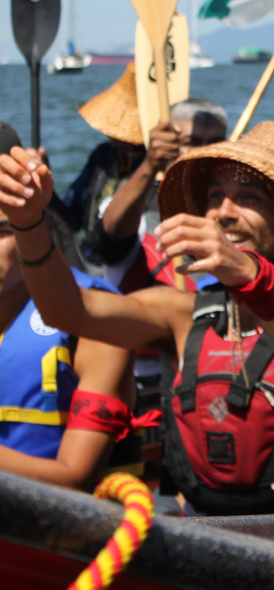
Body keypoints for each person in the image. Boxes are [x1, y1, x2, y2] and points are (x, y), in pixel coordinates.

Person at [0, 121, 274, 515]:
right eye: (216, 196)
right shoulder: (180, 314)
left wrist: (248, 275)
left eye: (248, 198)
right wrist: (29, 222)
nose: (224, 212)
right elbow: (67, 311)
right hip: (205, 560)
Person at [0, 180, 150, 491]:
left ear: (36, 234)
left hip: (55, 527)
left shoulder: (96, 326)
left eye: (2, 232)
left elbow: (75, 478)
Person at [99, 97, 228, 286]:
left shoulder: (231, 206)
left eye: (215, 142)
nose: (205, 152)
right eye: (192, 142)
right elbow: (110, 238)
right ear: (169, 144)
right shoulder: (141, 199)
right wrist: (150, 164)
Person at [62, 63, 148, 265]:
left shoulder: (156, 165)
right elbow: (70, 219)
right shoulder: (103, 156)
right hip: (92, 258)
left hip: (133, 263)